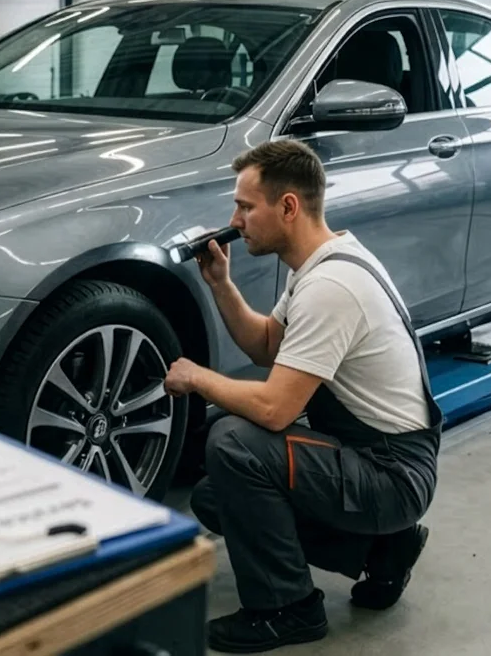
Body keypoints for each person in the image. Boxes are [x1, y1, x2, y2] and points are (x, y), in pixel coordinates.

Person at [163, 139, 443, 653]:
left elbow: (276, 409)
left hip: (391, 471)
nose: (236, 220)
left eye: (246, 207)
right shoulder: (322, 263)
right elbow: (270, 344)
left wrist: (199, 378)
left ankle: (286, 609)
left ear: (288, 206)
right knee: (215, 496)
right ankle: (381, 551)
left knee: (233, 442)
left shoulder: (331, 286)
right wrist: (221, 284)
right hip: (378, 458)